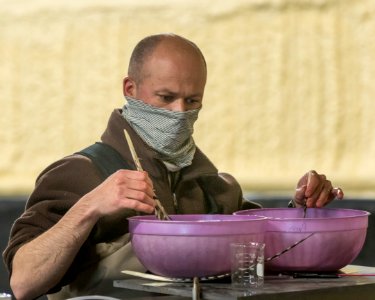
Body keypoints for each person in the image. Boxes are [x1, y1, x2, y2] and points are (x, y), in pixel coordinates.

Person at [3, 33, 344, 300]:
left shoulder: (214, 189)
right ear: (130, 89)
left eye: (192, 100)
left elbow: (266, 258)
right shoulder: (80, 172)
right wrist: (90, 206)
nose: (180, 112)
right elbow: (23, 282)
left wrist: (303, 212)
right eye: (165, 98)